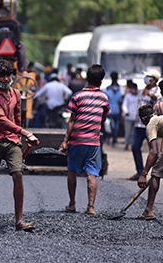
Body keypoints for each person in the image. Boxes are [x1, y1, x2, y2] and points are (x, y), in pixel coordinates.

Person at [0, 58, 40, 231]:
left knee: (18, 175)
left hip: (13, 141)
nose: (6, 79)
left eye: (8, 75)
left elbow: (17, 118)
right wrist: (26, 133)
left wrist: (22, 139)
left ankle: (19, 221)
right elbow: (2, 120)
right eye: (2, 76)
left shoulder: (16, 94)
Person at [59, 64, 110, 215]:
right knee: (91, 174)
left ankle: (72, 204)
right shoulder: (103, 97)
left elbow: (72, 120)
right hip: (93, 142)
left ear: (86, 79)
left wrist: (65, 140)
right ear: (100, 81)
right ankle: (90, 207)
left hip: (76, 140)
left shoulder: (77, 96)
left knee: (72, 171)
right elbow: (104, 117)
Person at [136, 105, 163, 220]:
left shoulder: (151, 124)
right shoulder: (161, 118)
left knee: (156, 173)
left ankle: (148, 210)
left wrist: (143, 174)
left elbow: (153, 152)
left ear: (143, 119)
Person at [128, 69, 162, 181]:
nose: (146, 79)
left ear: (154, 79)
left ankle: (155, 171)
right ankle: (139, 171)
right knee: (135, 148)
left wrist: (150, 95)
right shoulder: (142, 90)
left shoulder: (157, 91)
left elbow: (157, 101)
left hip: (150, 125)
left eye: (149, 77)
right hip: (138, 125)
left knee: (154, 151)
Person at [105, 72, 122, 147]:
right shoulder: (108, 91)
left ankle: (114, 140)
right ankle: (109, 138)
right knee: (112, 127)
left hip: (116, 112)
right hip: (110, 112)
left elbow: (120, 103)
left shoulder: (118, 93)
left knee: (116, 128)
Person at [121, 82, 139, 150]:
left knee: (134, 133)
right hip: (128, 117)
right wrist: (126, 112)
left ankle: (133, 145)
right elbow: (124, 105)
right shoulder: (128, 96)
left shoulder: (139, 96)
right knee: (128, 132)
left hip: (136, 117)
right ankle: (126, 144)